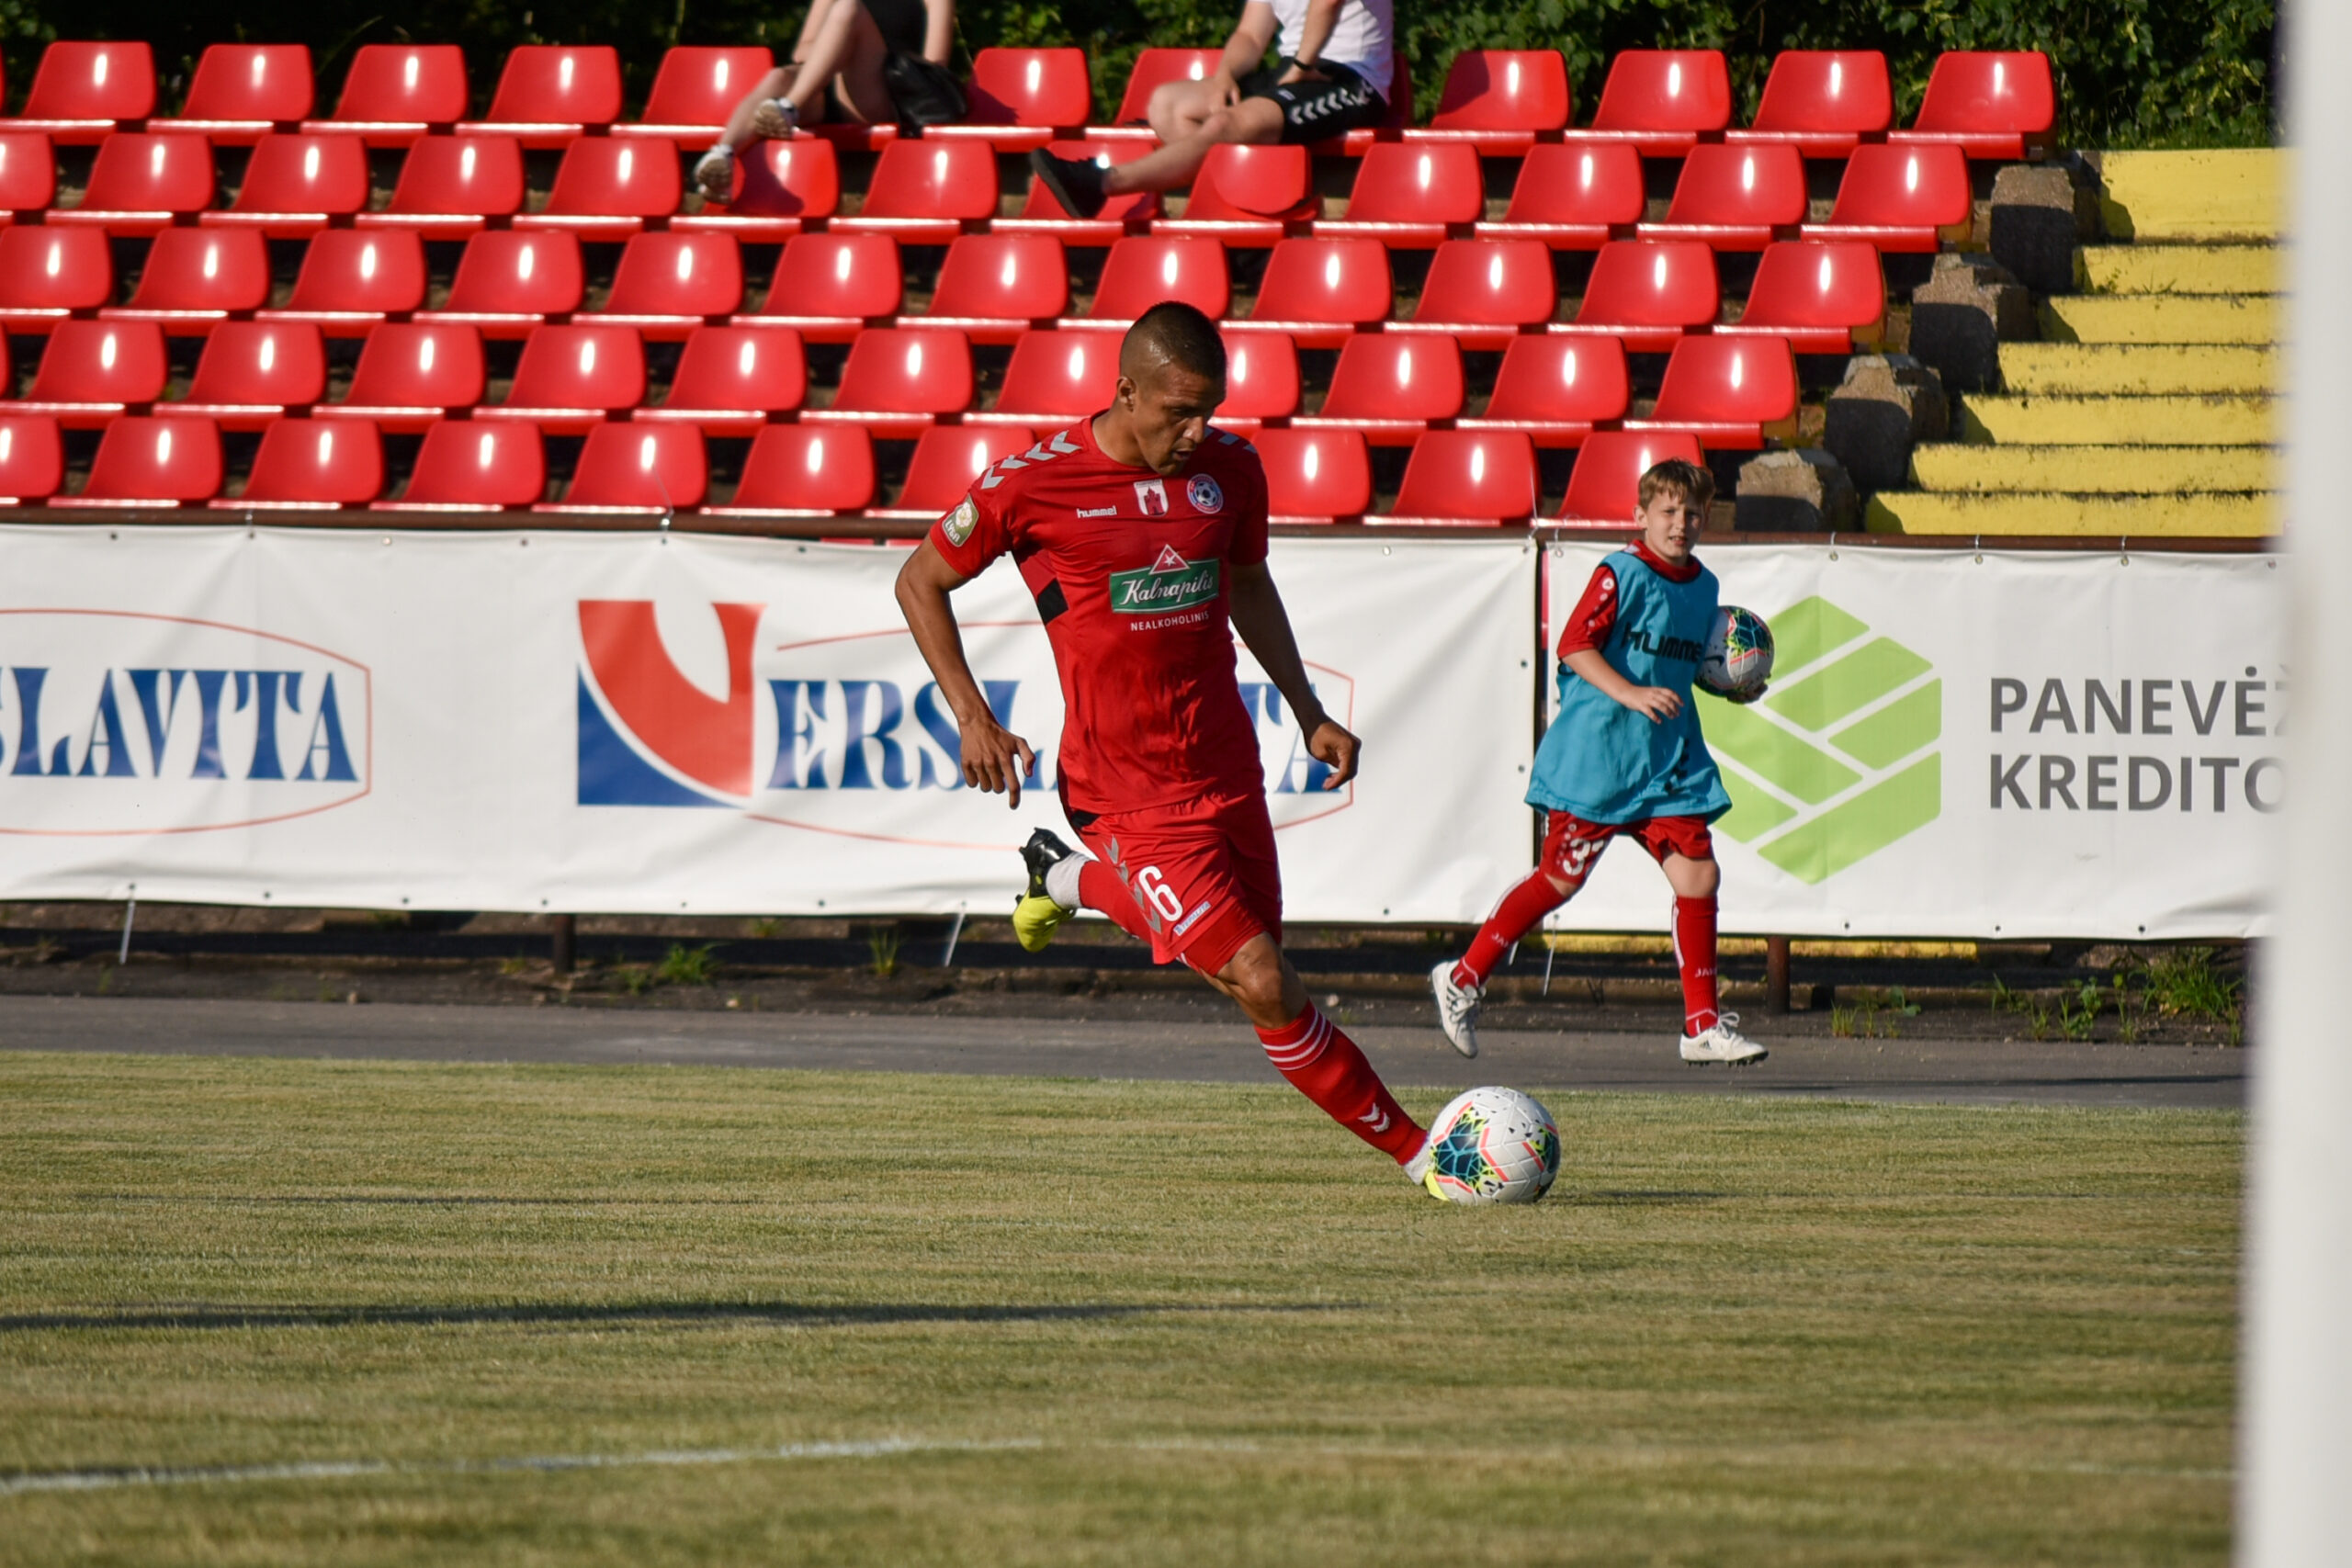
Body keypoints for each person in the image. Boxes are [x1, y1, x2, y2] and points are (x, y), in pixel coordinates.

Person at [894, 300, 1446, 1196]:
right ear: (1126, 391)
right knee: (1261, 979)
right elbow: (919, 579)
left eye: (1209, 411)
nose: (1196, 432)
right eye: (1178, 412)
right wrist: (971, 715)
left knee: (1257, 980)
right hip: (1124, 792)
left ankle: (1065, 878)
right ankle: (1429, 1158)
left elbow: (1248, 583)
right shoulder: (1031, 483)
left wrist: (1307, 709)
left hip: (1226, 772)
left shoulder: (1231, 468)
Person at [1430, 459, 1770, 1067]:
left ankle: (1701, 1024)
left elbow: (1685, 663)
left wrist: (1731, 686)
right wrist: (1631, 693)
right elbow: (1574, 646)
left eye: (1693, 514)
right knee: (1559, 881)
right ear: (1641, 516)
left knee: (1699, 876)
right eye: (1668, 511)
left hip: (1666, 763)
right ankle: (1462, 977)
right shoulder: (1619, 573)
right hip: (1599, 759)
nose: (1681, 524)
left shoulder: (1705, 588)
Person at [1026, 0, 1394, 219]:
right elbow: (1250, 36)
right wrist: (1225, 76)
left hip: (1349, 79)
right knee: (1168, 104)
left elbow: (1327, 3)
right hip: (1294, 69)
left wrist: (1301, 65)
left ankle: (1103, 183)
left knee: (1223, 124)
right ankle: (1235, 213)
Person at [695, 0, 956, 201]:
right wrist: (839, 46)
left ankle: (789, 107)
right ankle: (723, 154)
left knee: (850, 9)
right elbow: (802, 52)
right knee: (778, 77)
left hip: (883, 93)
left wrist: (861, 47)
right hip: (829, 85)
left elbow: (934, 68)